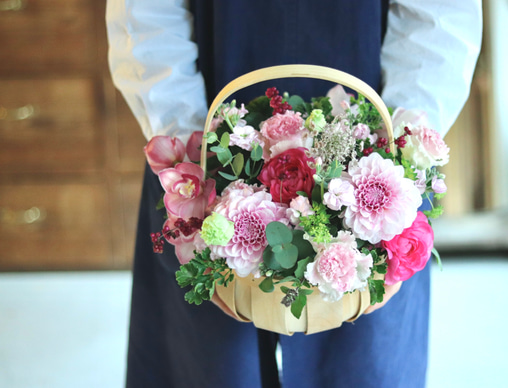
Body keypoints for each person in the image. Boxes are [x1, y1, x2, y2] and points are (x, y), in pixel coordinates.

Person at [106, 1, 482, 387]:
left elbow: (438, 18)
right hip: (208, 128)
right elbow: (147, 14)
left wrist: (397, 159)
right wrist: (193, 153)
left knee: (365, 365)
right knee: (209, 366)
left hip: (368, 142)